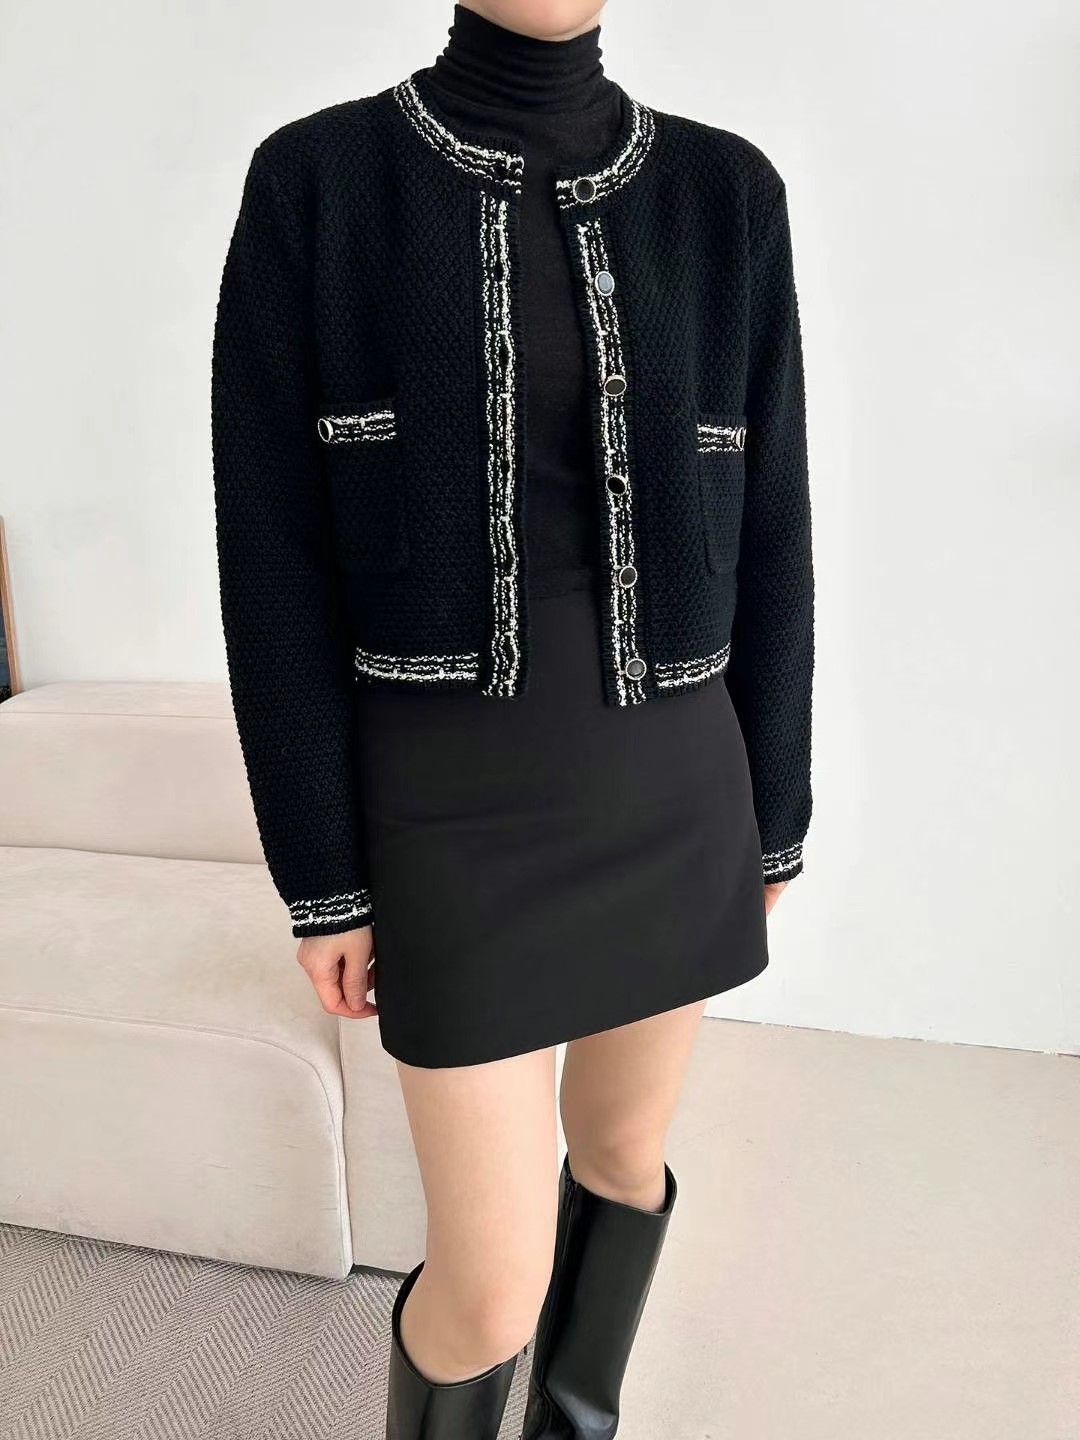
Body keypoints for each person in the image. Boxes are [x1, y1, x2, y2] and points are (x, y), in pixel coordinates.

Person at [211, 2, 815, 1435]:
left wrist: (775, 820)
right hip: (449, 809)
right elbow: (272, 561)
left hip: (676, 787)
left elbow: (774, 524)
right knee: (488, 1287)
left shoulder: (725, 192)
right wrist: (321, 873)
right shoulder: (320, 181)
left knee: (623, 1159)